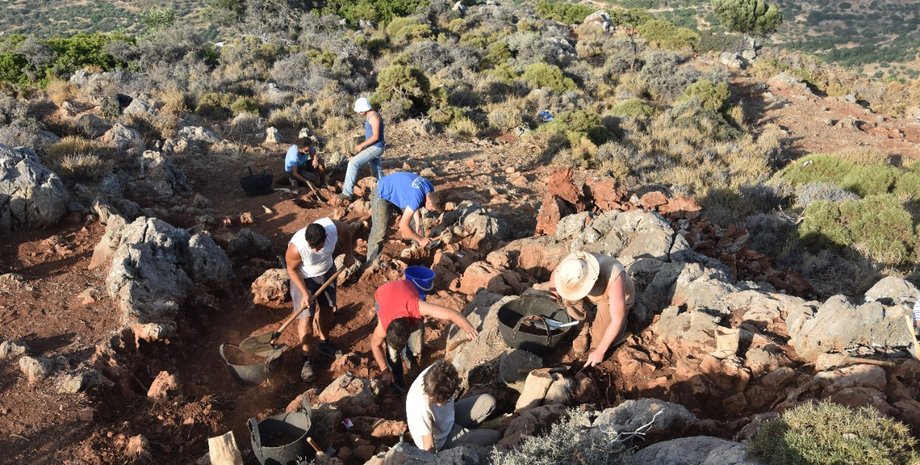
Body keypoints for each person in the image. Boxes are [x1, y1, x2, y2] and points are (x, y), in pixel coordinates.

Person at [370, 279, 477, 388]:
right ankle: (397, 381)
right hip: (382, 294)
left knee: (417, 347)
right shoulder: (383, 325)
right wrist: (384, 369)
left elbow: (451, 314)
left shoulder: (416, 307)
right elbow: (375, 345)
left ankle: (410, 357)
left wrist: (469, 329)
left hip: (404, 288)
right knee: (392, 355)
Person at [285, 217, 355, 382]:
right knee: (306, 318)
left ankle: (325, 342)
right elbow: (291, 270)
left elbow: (346, 231)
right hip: (303, 279)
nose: (315, 250)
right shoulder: (296, 249)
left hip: (327, 272)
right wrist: (304, 293)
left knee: (328, 309)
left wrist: (349, 253)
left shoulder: (333, 229)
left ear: (326, 238)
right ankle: (307, 357)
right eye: (312, 246)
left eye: (319, 246)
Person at [544, 251, 635, 367]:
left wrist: (600, 350)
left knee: (599, 341)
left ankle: (621, 328)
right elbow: (554, 277)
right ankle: (582, 330)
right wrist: (550, 302)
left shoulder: (614, 276)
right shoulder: (571, 266)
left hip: (611, 299)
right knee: (567, 294)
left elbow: (618, 318)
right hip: (591, 294)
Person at [406, 360, 500, 451]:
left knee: (489, 402)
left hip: (450, 417)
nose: (439, 404)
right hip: (441, 440)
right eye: (436, 401)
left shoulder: (440, 372)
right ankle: (463, 438)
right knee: (496, 436)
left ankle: (470, 433)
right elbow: (428, 447)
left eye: (443, 401)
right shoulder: (420, 408)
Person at [364, 171, 440, 266]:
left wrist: (417, 222)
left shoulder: (430, 189)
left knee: (417, 224)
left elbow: (416, 202)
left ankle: (419, 253)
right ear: (428, 202)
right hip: (383, 192)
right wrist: (421, 239)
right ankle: (370, 263)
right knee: (380, 230)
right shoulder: (417, 197)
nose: (432, 211)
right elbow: (403, 225)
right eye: (432, 209)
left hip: (399, 191)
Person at [338, 97, 384, 201]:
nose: (358, 113)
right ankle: (386, 189)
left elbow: (376, 137)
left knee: (353, 163)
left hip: (376, 147)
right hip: (374, 147)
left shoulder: (374, 117)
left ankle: (347, 193)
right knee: (376, 171)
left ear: (363, 108)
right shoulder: (371, 116)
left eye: (359, 110)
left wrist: (361, 145)